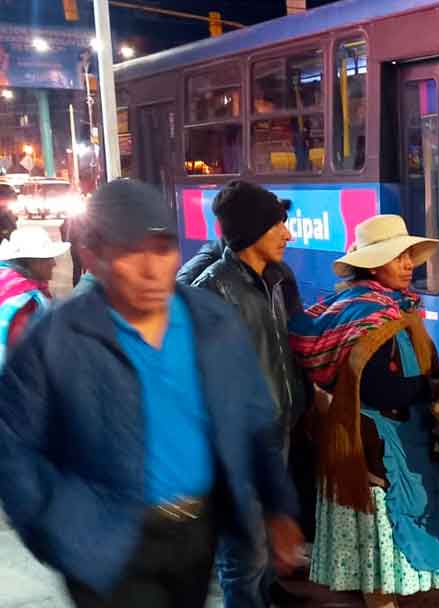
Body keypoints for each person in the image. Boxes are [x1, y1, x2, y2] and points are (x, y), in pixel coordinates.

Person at [0, 178, 306, 607]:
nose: (151, 270)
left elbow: (252, 416)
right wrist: (57, 534)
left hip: (194, 536)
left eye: (162, 249)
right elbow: (14, 448)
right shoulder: (55, 338)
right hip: (106, 549)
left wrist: (277, 504)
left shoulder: (210, 322)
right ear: (93, 255)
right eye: (129, 252)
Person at [290, 214, 439, 608]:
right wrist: (436, 388)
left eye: (408, 256)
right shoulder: (374, 316)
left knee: (370, 564)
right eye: (398, 257)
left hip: (356, 443)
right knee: (379, 565)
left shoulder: (351, 306)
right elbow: (381, 389)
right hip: (376, 454)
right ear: (371, 263)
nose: (408, 265)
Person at [192, 180, 308, 608]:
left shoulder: (273, 280)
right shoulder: (213, 291)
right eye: (279, 224)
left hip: (274, 435)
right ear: (252, 230)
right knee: (245, 558)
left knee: (265, 555)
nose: (288, 234)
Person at [0, 227, 69, 359]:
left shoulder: (4, 280)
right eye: (49, 258)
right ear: (32, 262)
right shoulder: (27, 302)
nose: (54, 264)